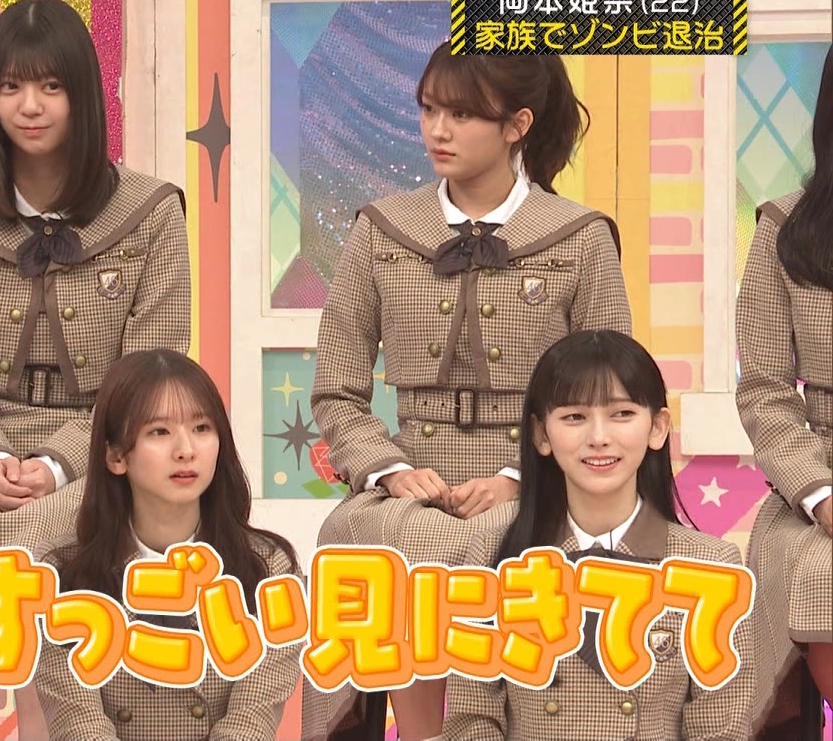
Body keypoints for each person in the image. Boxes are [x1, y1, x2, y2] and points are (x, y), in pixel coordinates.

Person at [305, 41, 633, 740]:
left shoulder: (581, 238)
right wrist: (390, 471)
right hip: (411, 478)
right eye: (429, 110)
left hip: (546, 482)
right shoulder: (380, 231)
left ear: (517, 125)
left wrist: (522, 475)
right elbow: (337, 392)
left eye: (460, 114)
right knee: (395, 545)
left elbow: (610, 400)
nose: (437, 130)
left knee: (502, 546)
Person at [0, 0, 191, 740]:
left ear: (82, 95)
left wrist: (62, 461)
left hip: (108, 450)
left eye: (50, 86)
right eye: (11, 87)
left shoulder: (152, 212)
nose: (29, 107)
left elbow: (156, 374)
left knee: (43, 530)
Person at [441, 329, 755, 740]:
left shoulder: (710, 565)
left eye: (622, 414)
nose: (599, 438)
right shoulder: (493, 556)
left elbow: (720, 731)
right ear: (541, 434)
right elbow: (471, 722)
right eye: (574, 417)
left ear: (657, 427)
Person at [35, 349, 302, 740]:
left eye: (202, 428)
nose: (186, 450)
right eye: (159, 432)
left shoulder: (268, 567)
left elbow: (251, 722)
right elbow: (79, 724)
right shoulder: (62, 575)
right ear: (116, 455)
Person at [735, 44, 833, 737]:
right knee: (818, 572)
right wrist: (820, 495)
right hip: (815, 481)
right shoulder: (783, 227)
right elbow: (766, 389)